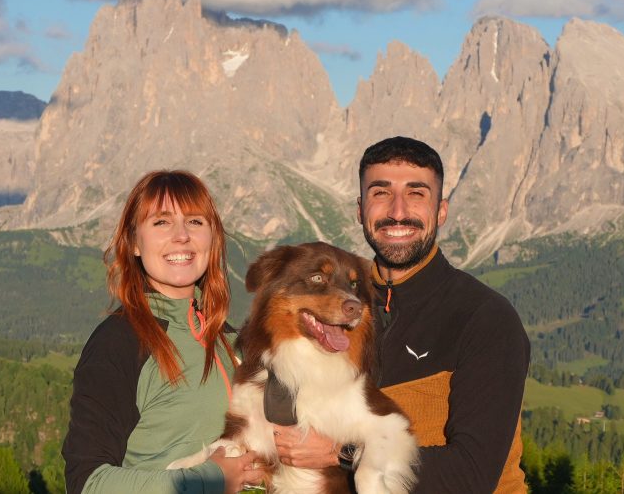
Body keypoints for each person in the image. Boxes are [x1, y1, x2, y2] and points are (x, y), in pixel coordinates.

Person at [273, 136, 531, 493]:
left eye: (416, 193)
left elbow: (472, 474)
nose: (397, 211)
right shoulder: (334, 311)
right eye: (381, 193)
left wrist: (341, 454)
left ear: (441, 211)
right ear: (360, 209)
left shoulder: (485, 317)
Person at [63, 170, 264, 494]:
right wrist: (208, 480)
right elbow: (87, 483)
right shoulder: (119, 342)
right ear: (134, 242)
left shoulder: (230, 340)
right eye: (161, 222)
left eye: (195, 221)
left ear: (212, 238)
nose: (181, 235)